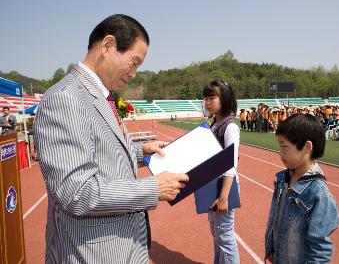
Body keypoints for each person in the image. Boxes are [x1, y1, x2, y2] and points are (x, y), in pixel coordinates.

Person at [33, 14, 189, 263]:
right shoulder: (66, 99)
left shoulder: (100, 95)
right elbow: (77, 192)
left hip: (124, 247)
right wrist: (153, 187)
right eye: (134, 62)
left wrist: (142, 151)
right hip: (93, 254)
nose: (135, 74)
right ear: (107, 46)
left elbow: (100, 149)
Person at [265, 113, 339, 263]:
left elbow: (319, 251)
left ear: (307, 147)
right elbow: (276, 222)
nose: (280, 152)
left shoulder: (318, 194)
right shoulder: (283, 180)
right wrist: (272, 250)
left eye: (284, 146)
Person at [203, 79, 240, 264]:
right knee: (217, 234)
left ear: (224, 98)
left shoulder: (230, 127)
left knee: (225, 237)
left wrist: (224, 196)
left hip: (224, 187)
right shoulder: (214, 124)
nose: (207, 102)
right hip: (212, 185)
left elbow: (230, 165)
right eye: (205, 99)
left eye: (211, 98)